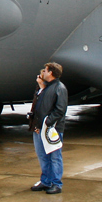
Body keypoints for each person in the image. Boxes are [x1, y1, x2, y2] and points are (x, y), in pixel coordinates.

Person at [30, 62, 68, 195]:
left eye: (45, 71)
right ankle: (46, 181)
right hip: (40, 128)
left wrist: (46, 124)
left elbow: (60, 110)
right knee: (43, 156)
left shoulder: (59, 88)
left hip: (52, 130)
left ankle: (56, 184)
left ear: (51, 72)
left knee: (55, 157)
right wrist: (41, 87)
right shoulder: (46, 88)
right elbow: (38, 106)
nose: (43, 73)